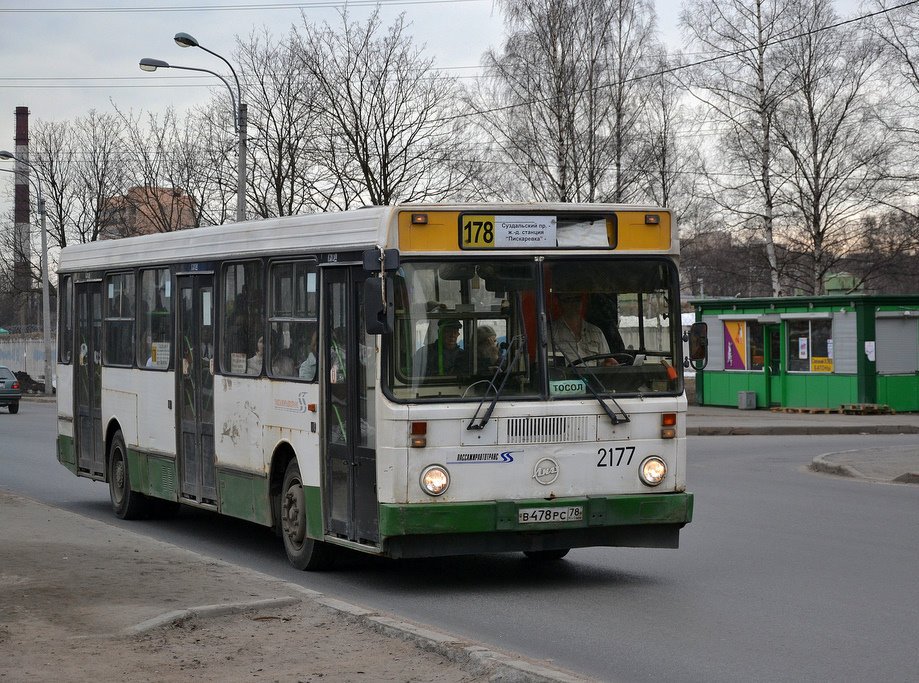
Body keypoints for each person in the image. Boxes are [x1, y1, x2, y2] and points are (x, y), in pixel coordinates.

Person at [549, 293, 617, 366]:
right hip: (565, 377)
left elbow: (605, 362)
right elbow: (548, 364)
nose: (573, 304)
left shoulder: (596, 332)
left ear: (582, 302)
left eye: (577, 299)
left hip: (594, 377)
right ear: (559, 303)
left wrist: (609, 363)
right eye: (568, 300)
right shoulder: (551, 332)